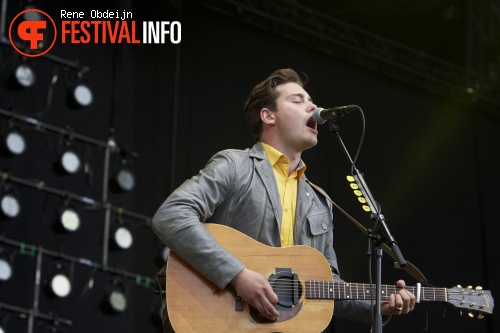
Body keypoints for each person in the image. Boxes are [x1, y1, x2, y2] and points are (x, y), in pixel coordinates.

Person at [152, 68, 416, 332]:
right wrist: (237, 275)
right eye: (297, 100)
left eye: (310, 101)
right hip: (213, 320)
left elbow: (326, 284)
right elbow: (172, 215)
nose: (313, 106)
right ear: (268, 116)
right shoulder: (236, 165)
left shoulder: (319, 202)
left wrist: (376, 306)